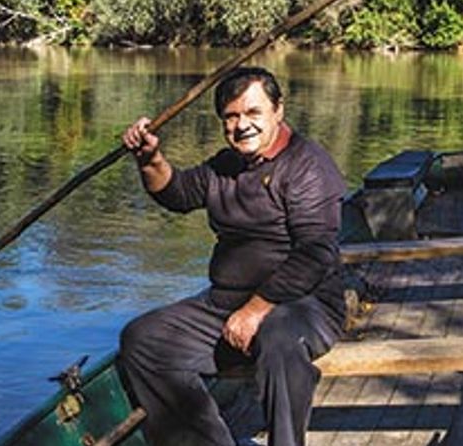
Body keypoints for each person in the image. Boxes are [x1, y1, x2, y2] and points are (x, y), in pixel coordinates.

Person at [118, 66, 348, 446]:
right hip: (224, 306)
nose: (242, 126)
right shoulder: (223, 167)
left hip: (305, 306)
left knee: (278, 337)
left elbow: (315, 253)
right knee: (143, 340)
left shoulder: (307, 164)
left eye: (253, 113)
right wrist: (150, 159)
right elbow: (177, 194)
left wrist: (257, 309)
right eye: (232, 116)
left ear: (278, 110)